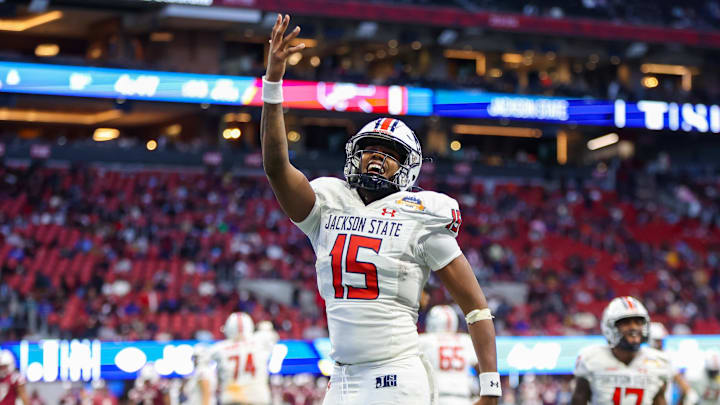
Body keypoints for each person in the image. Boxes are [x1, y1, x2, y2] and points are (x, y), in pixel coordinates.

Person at [260, 13, 500, 405]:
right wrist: (274, 83)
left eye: (390, 154)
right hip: (342, 377)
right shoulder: (327, 203)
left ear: (409, 167)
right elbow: (275, 167)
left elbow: (475, 308)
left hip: (397, 372)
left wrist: (490, 386)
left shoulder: (421, 214)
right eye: (371, 149)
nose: (377, 158)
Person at [571, 296, 672, 405]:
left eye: (638, 322)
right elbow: (578, 400)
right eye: (626, 322)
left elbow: (660, 401)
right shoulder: (591, 359)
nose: (634, 327)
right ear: (610, 327)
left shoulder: (658, 361)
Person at [203, 312, 273, 405]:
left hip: (232, 398)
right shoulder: (260, 341)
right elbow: (270, 334)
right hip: (258, 397)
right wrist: (264, 328)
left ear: (228, 329)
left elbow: (202, 357)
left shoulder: (219, 348)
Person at [420, 305, 479, 405]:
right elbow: (480, 368)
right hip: (464, 397)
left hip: (436, 398)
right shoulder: (465, 340)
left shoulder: (424, 340)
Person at [648, 322, 694, 405]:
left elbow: (682, 384)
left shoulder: (666, 358)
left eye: (661, 341)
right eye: (657, 341)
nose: (660, 344)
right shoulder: (642, 357)